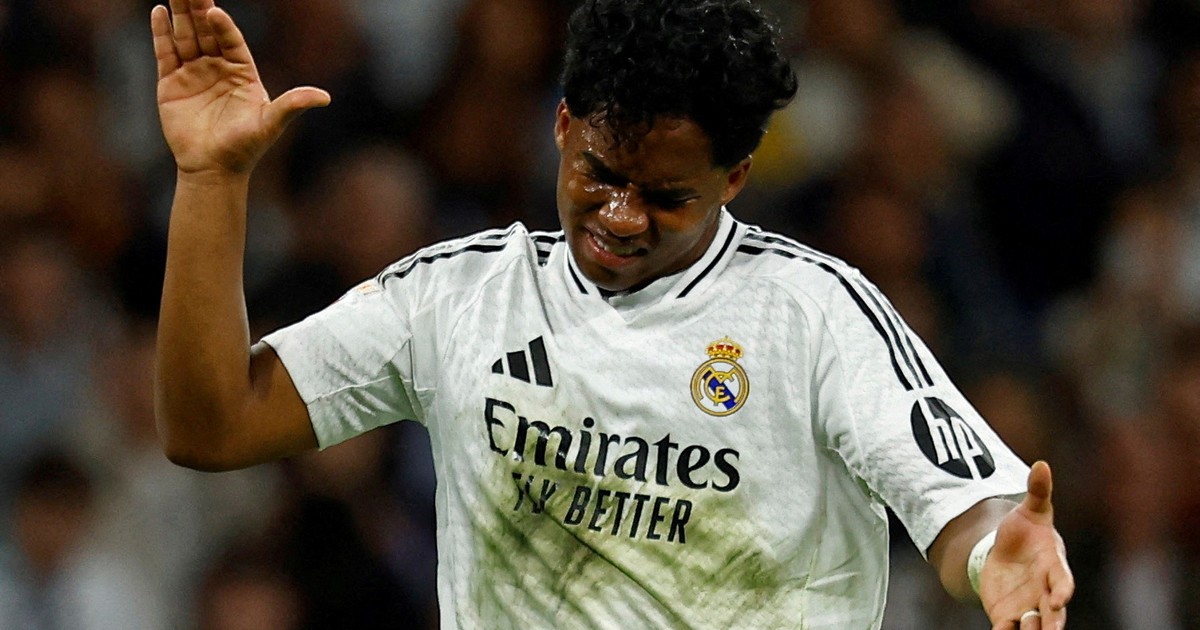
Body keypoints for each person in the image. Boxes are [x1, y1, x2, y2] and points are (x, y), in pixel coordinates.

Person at [150, 0, 1074, 627]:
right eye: (600, 173)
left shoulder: (814, 316)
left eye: (667, 196)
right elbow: (211, 425)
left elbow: (963, 508)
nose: (622, 217)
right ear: (562, 126)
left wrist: (997, 554)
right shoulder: (458, 298)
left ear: (734, 178)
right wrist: (211, 180)